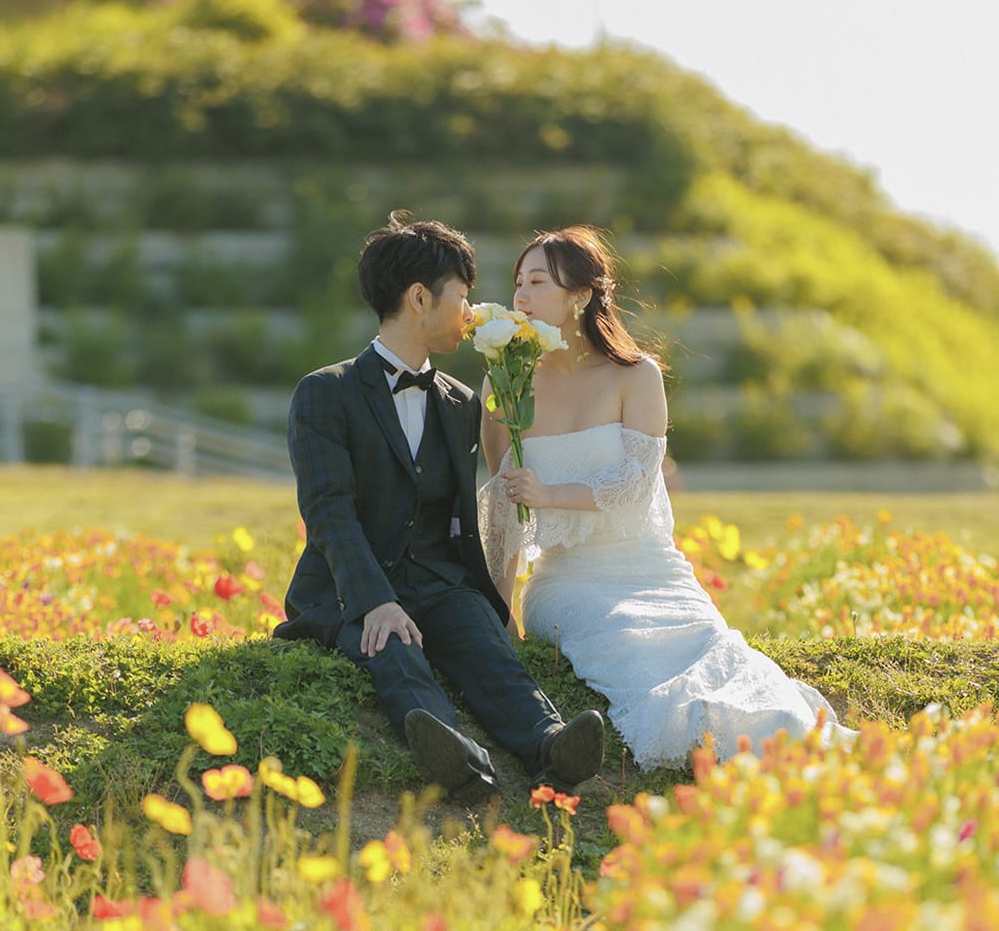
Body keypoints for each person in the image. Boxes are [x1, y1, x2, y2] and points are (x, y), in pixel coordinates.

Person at [480, 228, 851, 770]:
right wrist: (501, 614)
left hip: (653, 571)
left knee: (716, 648)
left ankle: (782, 744)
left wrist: (551, 493)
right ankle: (700, 744)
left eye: (537, 282)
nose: (520, 295)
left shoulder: (636, 376)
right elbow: (503, 511)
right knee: (632, 647)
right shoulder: (505, 386)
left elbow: (634, 489)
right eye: (518, 282)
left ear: (580, 296)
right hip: (568, 583)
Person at [276, 213, 607, 799]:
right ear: (419, 298)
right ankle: (459, 761)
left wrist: (488, 603)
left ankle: (552, 745)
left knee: (483, 645)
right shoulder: (325, 392)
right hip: (351, 587)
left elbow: (457, 519)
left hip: (438, 581)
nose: (471, 312)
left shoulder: (460, 402)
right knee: (393, 647)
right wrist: (375, 600)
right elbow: (329, 513)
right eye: (461, 296)